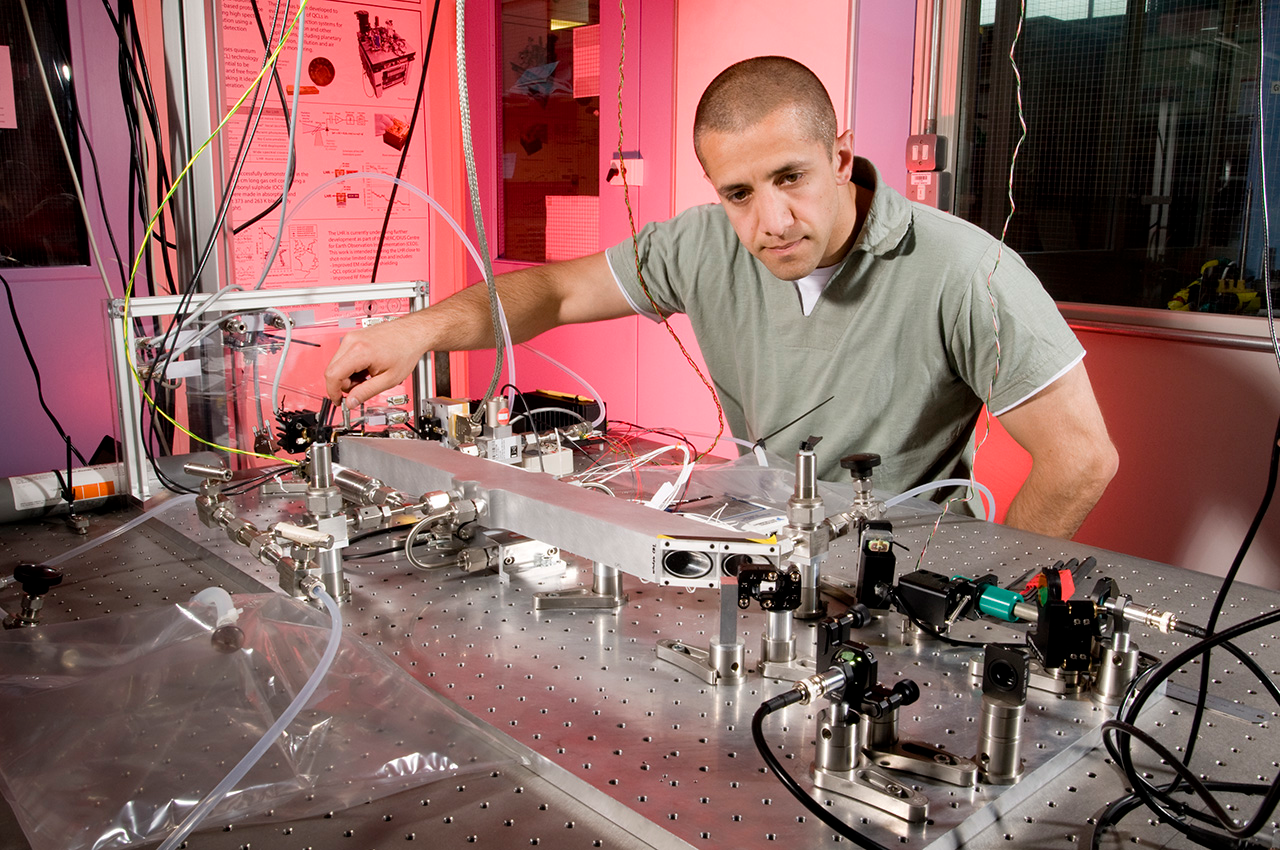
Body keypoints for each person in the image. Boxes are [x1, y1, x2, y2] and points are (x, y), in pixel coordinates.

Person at [325, 56, 1117, 540]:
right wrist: (419, 332)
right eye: (738, 192)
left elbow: (1080, 458)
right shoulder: (703, 243)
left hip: (903, 570)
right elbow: (558, 293)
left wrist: (989, 602)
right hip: (767, 554)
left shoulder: (964, 271)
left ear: (840, 154)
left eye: (791, 178)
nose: (770, 222)